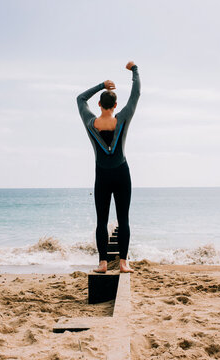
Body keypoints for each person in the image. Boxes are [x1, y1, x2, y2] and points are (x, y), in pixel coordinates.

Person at [76, 61, 141, 273]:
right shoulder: (122, 118)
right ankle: (123, 263)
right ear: (115, 106)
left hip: (102, 176)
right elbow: (136, 93)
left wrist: (102, 85)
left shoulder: (90, 122)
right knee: (124, 219)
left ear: (99, 105)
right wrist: (134, 70)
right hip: (122, 173)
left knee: (101, 220)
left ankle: (102, 263)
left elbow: (80, 98)